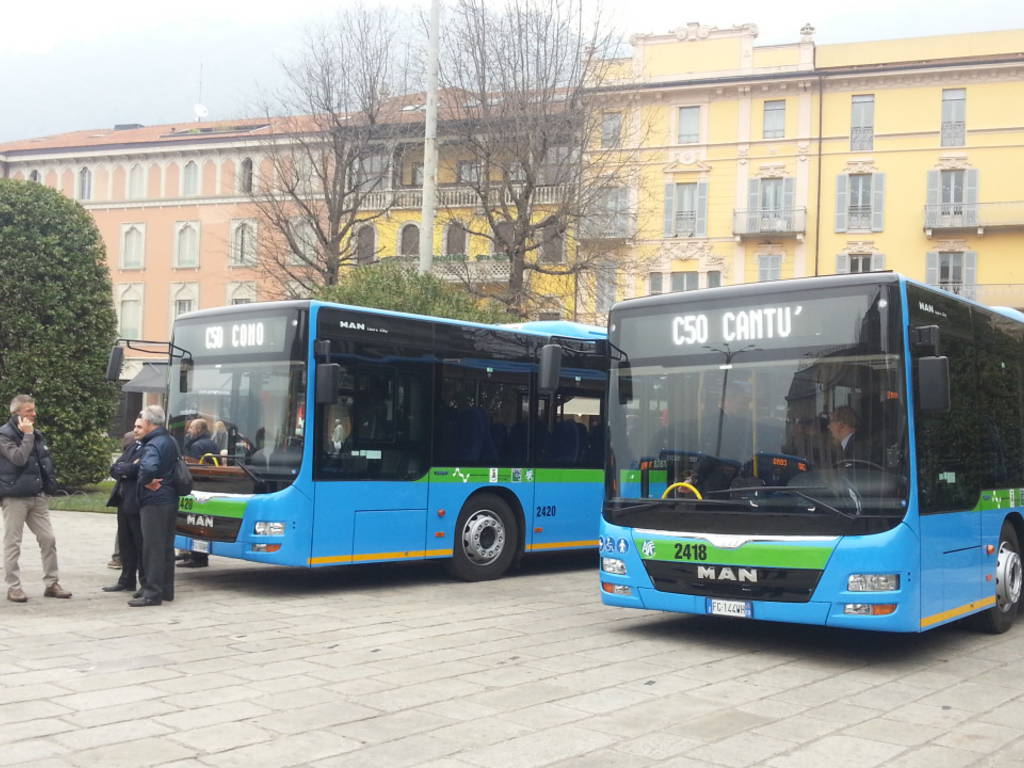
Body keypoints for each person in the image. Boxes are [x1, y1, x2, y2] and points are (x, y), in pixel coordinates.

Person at [0, 395, 71, 602]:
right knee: (13, 542)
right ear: (17, 413)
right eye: (29, 410)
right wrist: (28, 436)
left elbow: (43, 462)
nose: (34, 413)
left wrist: (49, 485)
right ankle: (14, 587)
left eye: (33, 409)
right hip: (15, 497)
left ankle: (52, 583)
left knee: (48, 539)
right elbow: (19, 458)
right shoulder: (4, 435)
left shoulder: (36, 434)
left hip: (37, 496)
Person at [131, 405, 179, 607]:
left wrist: (145, 481)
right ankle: (166, 589)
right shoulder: (170, 440)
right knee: (166, 547)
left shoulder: (153, 444)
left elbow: (148, 467)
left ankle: (152, 593)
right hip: (169, 498)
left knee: (152, 548)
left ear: (149, 423)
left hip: (154, 500)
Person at [103, 421, 145, 594]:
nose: (135, 430)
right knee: (125, 542)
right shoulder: (133, 447)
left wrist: (127, 468)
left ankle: (144, 582)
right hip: (123, 499)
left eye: (139, 427)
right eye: (134, 426)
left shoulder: (148, 448)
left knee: (139, 542)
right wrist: (126, 468)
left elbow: (138, 469)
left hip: (136, 501)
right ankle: (126, 579)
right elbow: (115, 468)